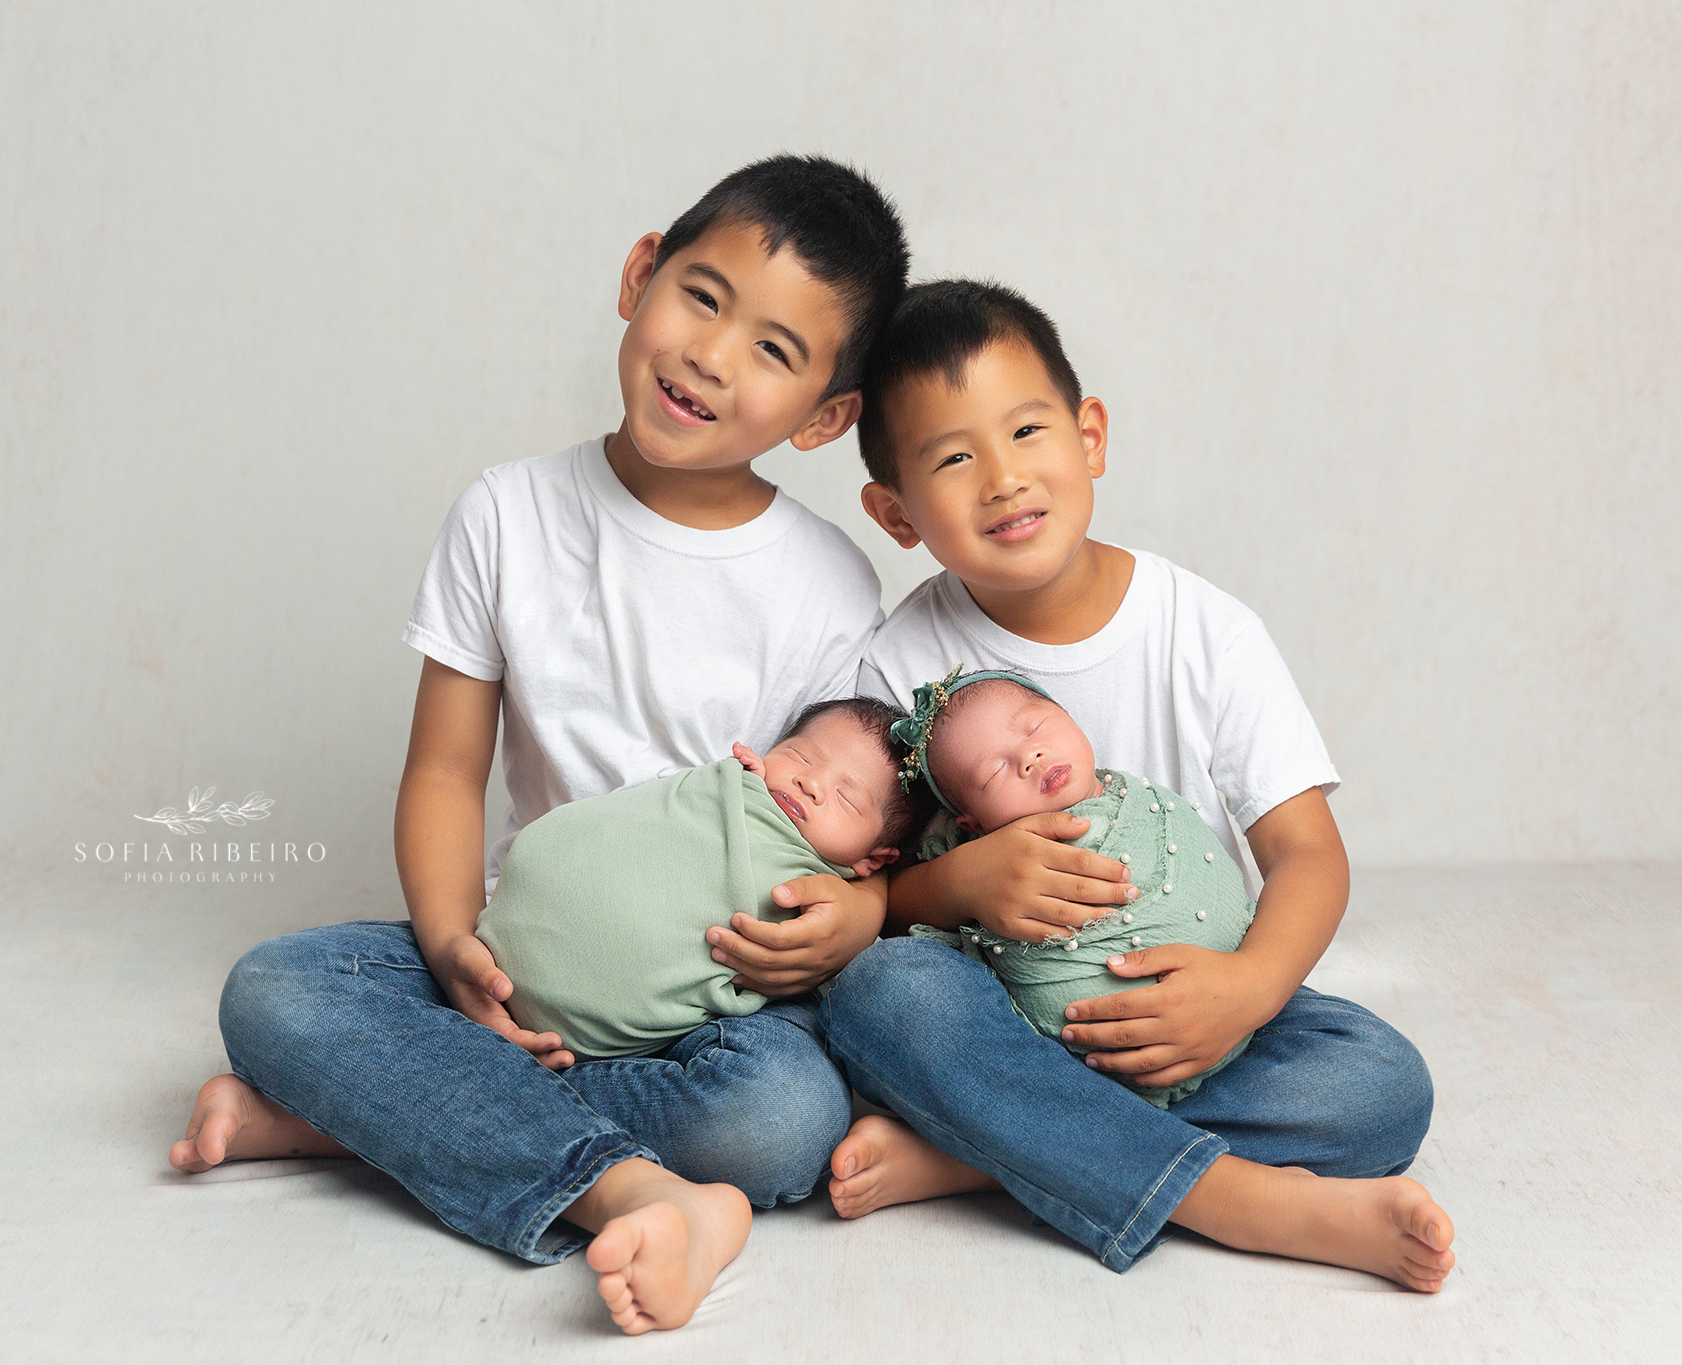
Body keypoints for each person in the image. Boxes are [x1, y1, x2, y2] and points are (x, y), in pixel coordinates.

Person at [167, 155, 910, 1334]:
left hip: (700, 997)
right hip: (521, 952)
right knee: (279, 991)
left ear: (825, 417)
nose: (711, 356)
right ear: (638, 275)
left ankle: (341, 1122)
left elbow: (843, 817)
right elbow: (446, 768)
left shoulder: (824, 584)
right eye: (701, 297)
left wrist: (847, 922)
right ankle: (645, 1192)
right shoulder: (506, 514)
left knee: (776, 1120)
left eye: (773, 350)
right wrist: (452, 939)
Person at [823, 279, 1458, 1292]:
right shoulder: (896, 671)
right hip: (1014, 1015)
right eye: (952, 456)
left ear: (1089, 438)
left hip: (1186, 1013)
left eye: (1026, 431)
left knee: (1381, 1088)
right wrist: (958, 886)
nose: (1001, 479)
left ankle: (980, 1155)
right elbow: (870, 899)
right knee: (876, 992)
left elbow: (1306, 856)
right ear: (893, 512)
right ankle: (1236, 1201)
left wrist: (1245, 991)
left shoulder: (1203, 632)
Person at [477, 698, 928, 1061]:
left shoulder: (826, 896)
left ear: (874, 859)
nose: (810, 782)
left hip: (595, 1032)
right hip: (490, 928)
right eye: (800, 756)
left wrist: (864, 909)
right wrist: (737, 779)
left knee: (789, 1101)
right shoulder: (730, 783)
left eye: (846, 798)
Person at [890, 667, 1256, 1108]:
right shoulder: (986, 859)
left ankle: (1014, 1153)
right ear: (972, 825)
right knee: (889, 988)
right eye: (992, 774)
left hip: (1232, 1013)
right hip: (1068, 1072)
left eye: (1036, 727)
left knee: (1353, 1075)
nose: (1029, 757)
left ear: (1069, 715)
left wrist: (1258, 982)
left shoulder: (1142, 795)